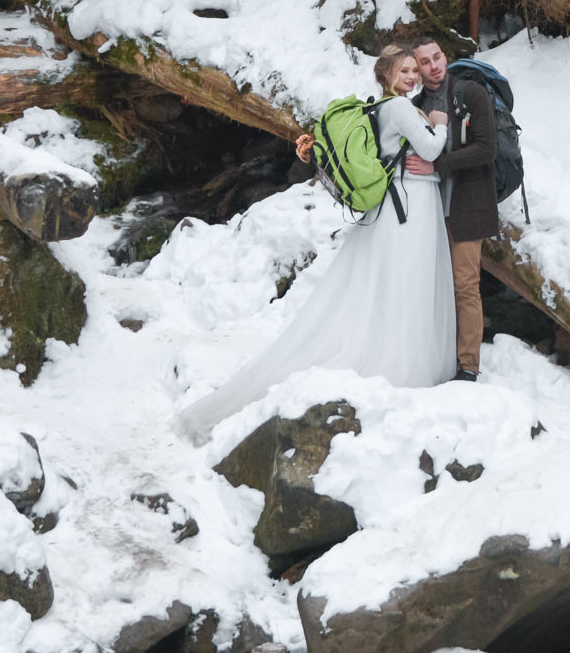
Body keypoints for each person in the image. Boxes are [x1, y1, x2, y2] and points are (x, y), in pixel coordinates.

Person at [176, 45, 457, 441]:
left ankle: (396, 350)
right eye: (404, 70)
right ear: (386, 76)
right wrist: (440, 124)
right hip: (408, 205)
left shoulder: (381, 108)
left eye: (414, 70)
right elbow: (429, 148)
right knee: (407, 282)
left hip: (402, 203)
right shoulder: (398, 109)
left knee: (393, 283)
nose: (412, 76)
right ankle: (402, 363)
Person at [405, 38, 498, 382]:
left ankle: (468, 366)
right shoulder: (413, 106)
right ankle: (438, 358)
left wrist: (439, 166)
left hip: (468, 205)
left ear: (445, 55)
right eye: (425, 62)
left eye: (437, 57)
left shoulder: (470, 94)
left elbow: (487, 149)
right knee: (433, 285)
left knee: (464, 285)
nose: (434, 66)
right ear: (416, 68)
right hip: (428, 209)